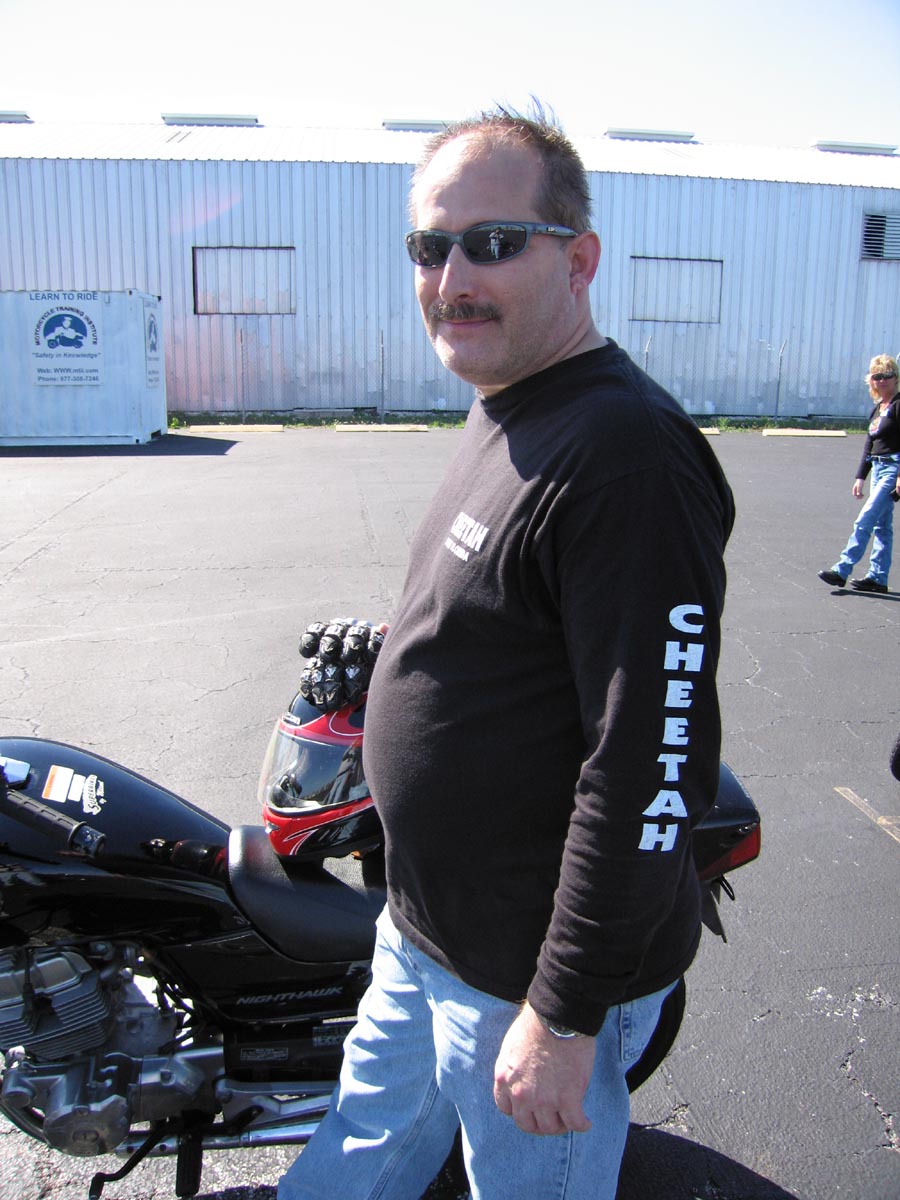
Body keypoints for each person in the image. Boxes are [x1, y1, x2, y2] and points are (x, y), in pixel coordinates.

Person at [278, 106, 734, 1200]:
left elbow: (648, 764)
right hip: (426, 930)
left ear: (578, 261)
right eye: (429, 246)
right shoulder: (512, 403)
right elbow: (513, 617)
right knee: (363, 1149)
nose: (452, 279)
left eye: (491, 242)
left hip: (522, 981)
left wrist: (564, 1015)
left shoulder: (623, 454)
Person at [818, 355, 900, 595]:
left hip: (893, 468)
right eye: (877, 376)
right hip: (878, 468)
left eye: (887, 375)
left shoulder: (898, 405)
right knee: (882, 526)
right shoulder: (878, 409)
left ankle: (842, 569)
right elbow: (869, 445)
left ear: (895, 378)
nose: (882, 380)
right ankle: (878, 577)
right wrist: (860, 477)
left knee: (865, 519)